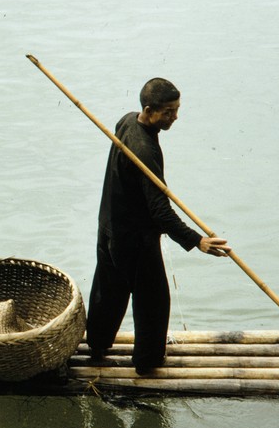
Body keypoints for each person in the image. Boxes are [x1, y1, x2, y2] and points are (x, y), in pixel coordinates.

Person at [86, 77, 230, 375]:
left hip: (110, 227)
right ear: (150, 110)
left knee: (109, 291)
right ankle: (148, 362)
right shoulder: (144, 150)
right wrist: (197, 241)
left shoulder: (127, 121)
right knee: (153, 300)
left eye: (176, 110)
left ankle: (97, 347)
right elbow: (160, 211)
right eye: (168, 112)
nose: (175, 117)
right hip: (135, 239)